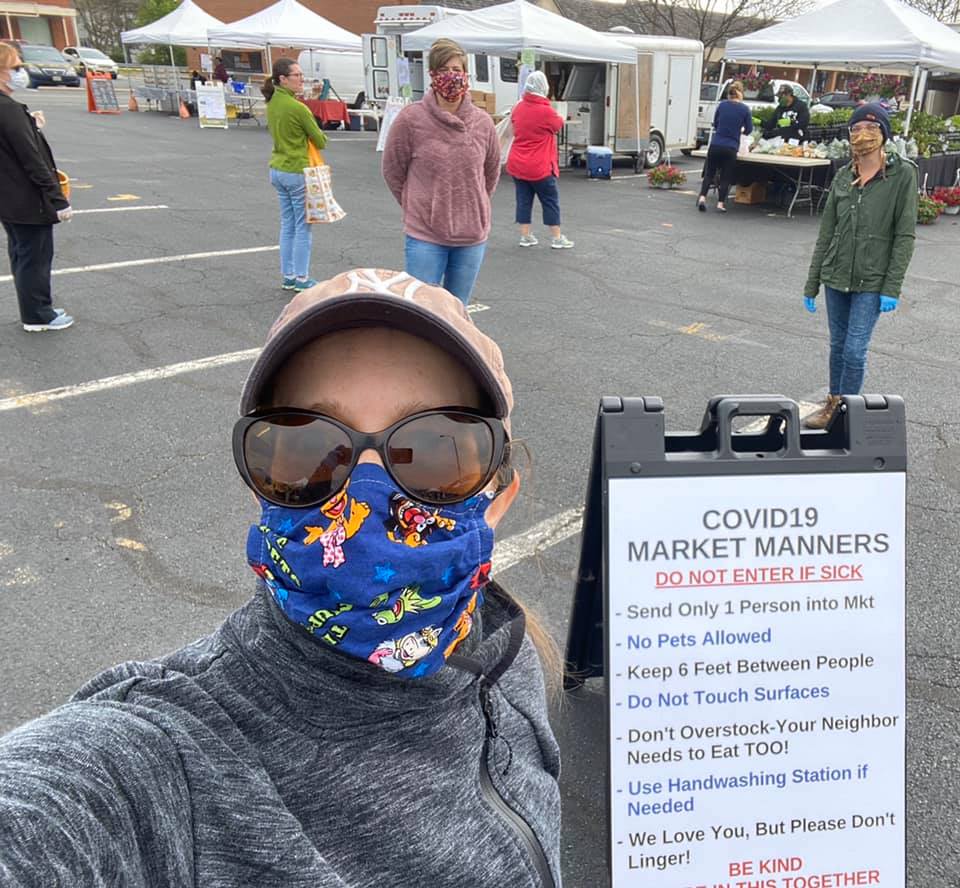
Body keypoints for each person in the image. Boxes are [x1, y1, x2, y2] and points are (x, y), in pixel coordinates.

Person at [0, 268, 562, 887]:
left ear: (499, 496)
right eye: (307, 450)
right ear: (262, 485)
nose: (361, 493)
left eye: (435, 449)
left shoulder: (506, 659)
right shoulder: (167, 761)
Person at [801, 103, 917, 429]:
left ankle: (845, 414)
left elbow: (904, 235)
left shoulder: (902, 174)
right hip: (836, 276)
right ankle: (833, 404)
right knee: (837, 347)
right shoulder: (842, 176)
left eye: (871, 128)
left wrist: (891, 286)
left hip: (872, 280)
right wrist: (812, 283)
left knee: (854, 350)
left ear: (884, 134)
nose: (863, 135)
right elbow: (826, 234)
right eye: (856, 129)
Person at [382, 39, 500, 306]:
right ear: (433, 74)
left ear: (466, 73)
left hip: (471, 236)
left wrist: (474, 202)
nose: (452, 76)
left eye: (457, 69)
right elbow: (393, 170)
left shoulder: (482, 123)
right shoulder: (411, 120)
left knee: (457, 312)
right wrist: (420, 203)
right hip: (426, 236)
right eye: (445, 69)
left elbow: (490, 172)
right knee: (422, 311)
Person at [0, 44, 73, 332]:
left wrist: (31, 125)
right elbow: (32, 159)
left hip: (8, 198)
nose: (21, 72)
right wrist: (57, 200)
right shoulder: (9, 111)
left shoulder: (9, 111)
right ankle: (38, 315)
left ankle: (35, 307)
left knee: (21, 253)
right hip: (27, 199)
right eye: (16, 67)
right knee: (35, 256)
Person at [263, 58, 328, 292]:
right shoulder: (298, 108)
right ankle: (302, 277)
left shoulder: (272, 104)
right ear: (283, 79)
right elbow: (320, 140)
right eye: (297, 75)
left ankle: (288, 275)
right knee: (303, 227)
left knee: (287, 224)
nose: (301, 79)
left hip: (277, 167)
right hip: (297, 169)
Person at [507, 70, 573, 249]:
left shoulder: (518, 107)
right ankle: (556, 238)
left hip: (518, 163)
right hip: (540, 166)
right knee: (550, 200)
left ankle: (525, 235)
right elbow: (558, 125)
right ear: (544, 87)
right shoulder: (546, 111)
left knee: (523, 199)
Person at [697, 80, 752, 213]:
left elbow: (715, 123)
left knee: (709, 173)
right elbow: (749, 129)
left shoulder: (722, 106)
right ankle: (720, 203)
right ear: (741, 94)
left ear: (729, 94)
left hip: (716, 144)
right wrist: (739, 130)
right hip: (731, 147)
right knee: (726, 176)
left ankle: (702, 198)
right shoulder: (745, 109)